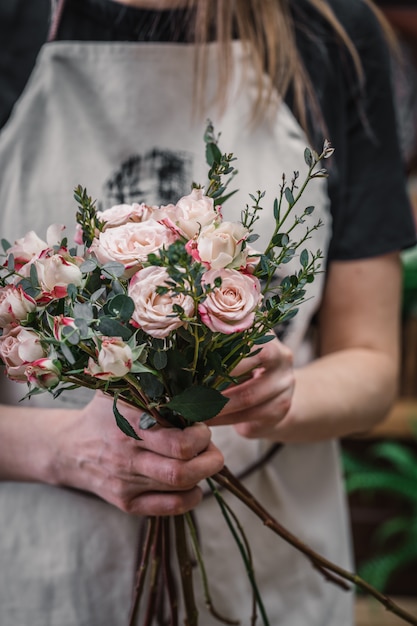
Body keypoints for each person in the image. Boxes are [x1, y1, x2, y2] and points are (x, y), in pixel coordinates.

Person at [0, 1, 415, 625]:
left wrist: (280, 394)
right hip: (50, 576)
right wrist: (59, 450)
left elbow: (373, 362)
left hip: (267, 577)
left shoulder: (328, 33)